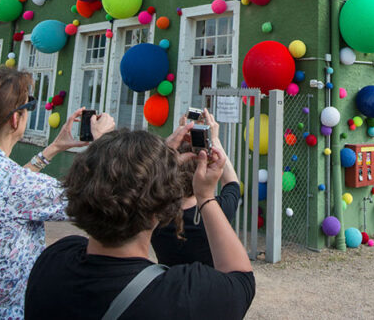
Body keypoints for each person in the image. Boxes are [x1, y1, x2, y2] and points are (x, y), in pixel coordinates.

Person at [0, 68, 115, 320]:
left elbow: (7, 196)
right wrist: (103, 142)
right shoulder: (14, 185)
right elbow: (96, 198)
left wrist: (55, 147)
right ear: (15, 119)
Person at [24, 129, 256, 319]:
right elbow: (241, 279)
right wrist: (205, 196)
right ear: (162, 207)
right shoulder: (181, 297)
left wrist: (161, 161)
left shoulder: (54, 260)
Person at [151, 108, 241, 267]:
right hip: (208, 286)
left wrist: (169, 148)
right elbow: (231, 183)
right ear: (205, 168)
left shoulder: (153, 211)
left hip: (169, 284)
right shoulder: (219, 211)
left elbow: (145, 180)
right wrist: (214, 139)